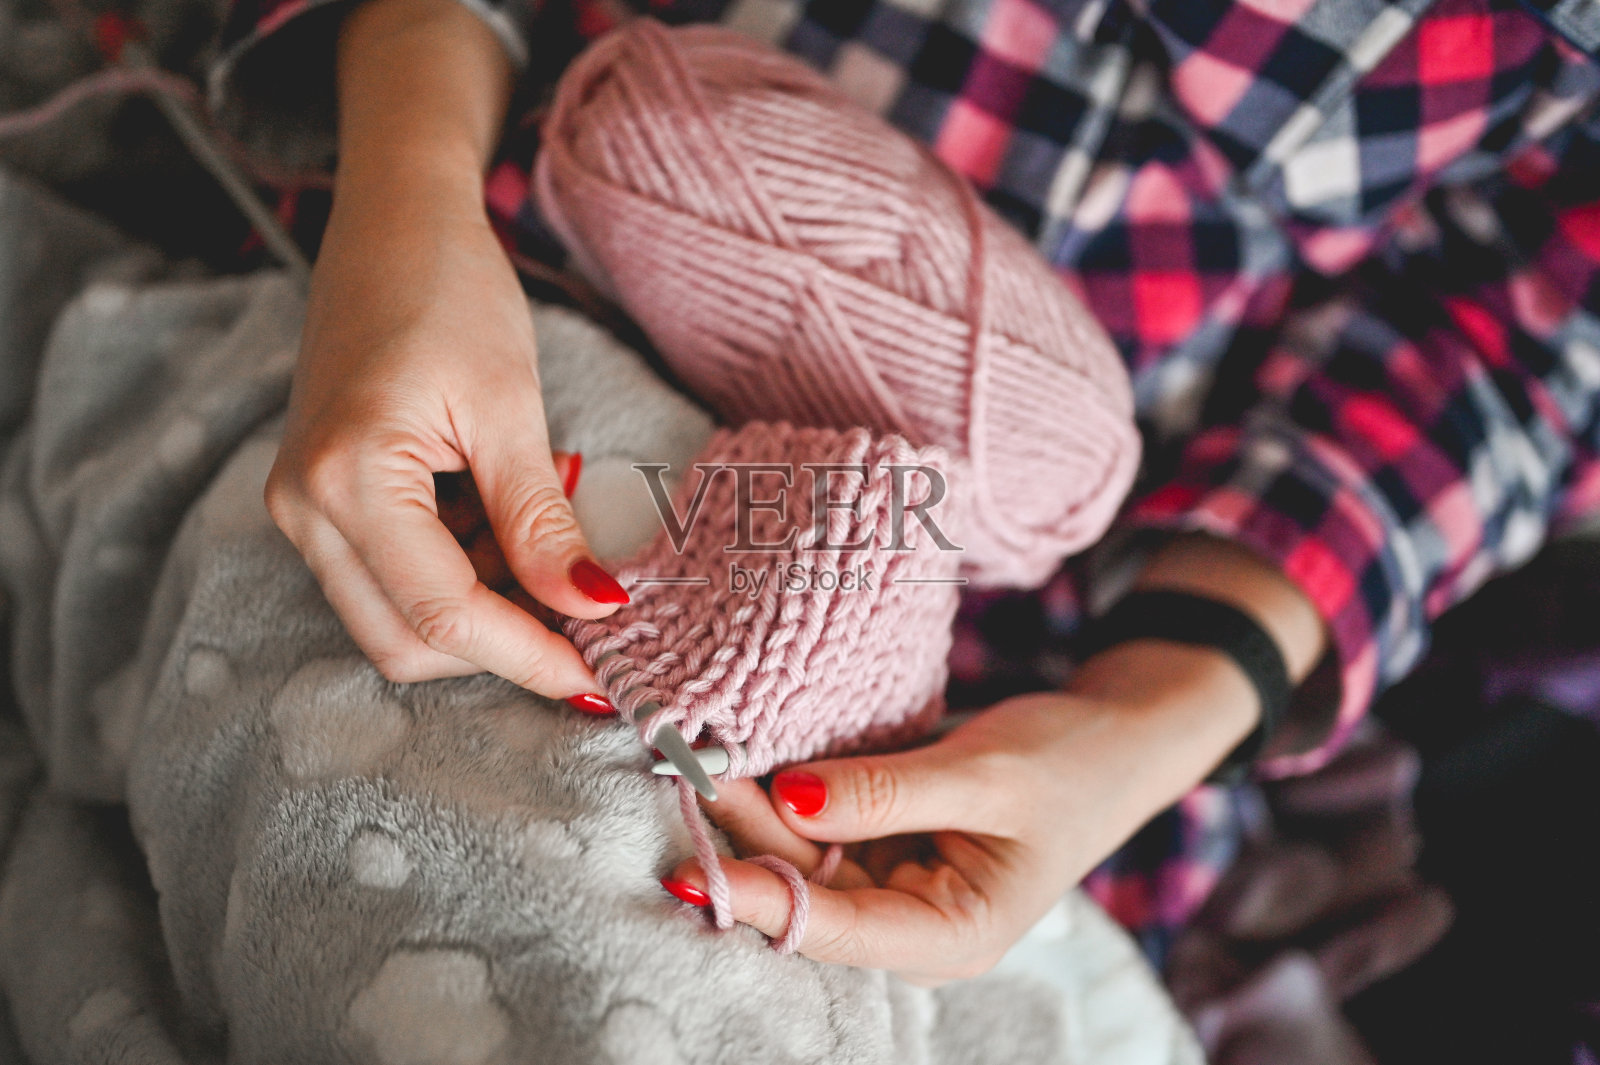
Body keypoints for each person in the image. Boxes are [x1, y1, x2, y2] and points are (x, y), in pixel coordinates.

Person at [221, 0, 1600, 982]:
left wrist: (1146, 717)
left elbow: (1518, 327)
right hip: (471, 273)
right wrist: (409, 181)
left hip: (1039, 633)